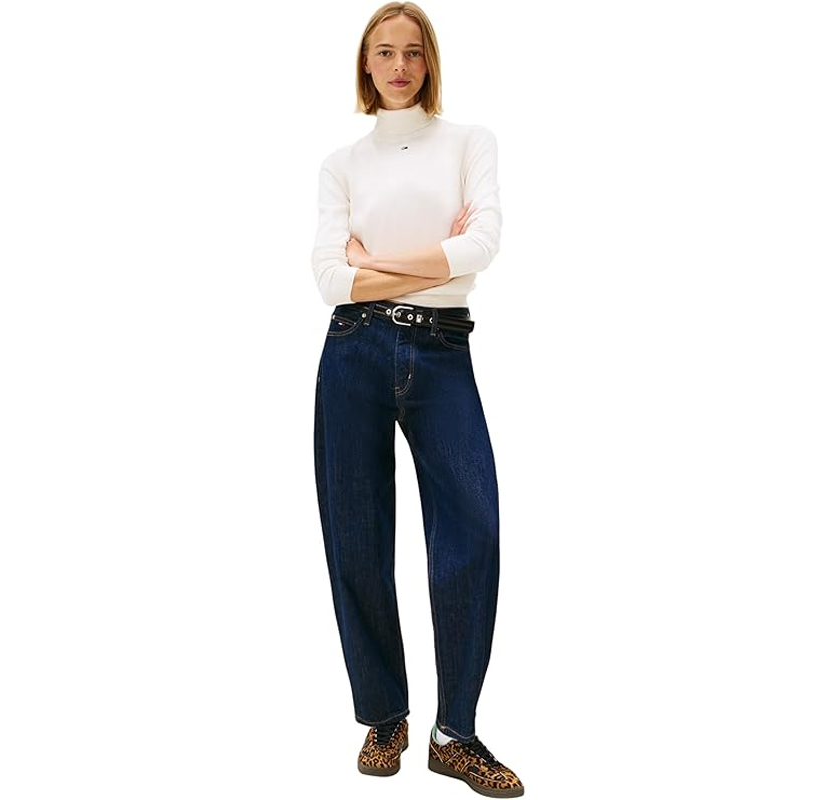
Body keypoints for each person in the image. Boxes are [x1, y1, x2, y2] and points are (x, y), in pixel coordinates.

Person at [310, 3, 523, 797]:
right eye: (383, 52)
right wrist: (437, 259)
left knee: (473, 532)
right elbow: (329, 279)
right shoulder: (342, 164)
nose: (398, 66)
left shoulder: (469, 143)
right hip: (352, 352)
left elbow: (483, 247)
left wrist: (375, 264)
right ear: (365, 65)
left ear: (429, 61)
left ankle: (454, 733)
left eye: (412, 52)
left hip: (441, 354)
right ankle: (385, 716)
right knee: (356, 535)